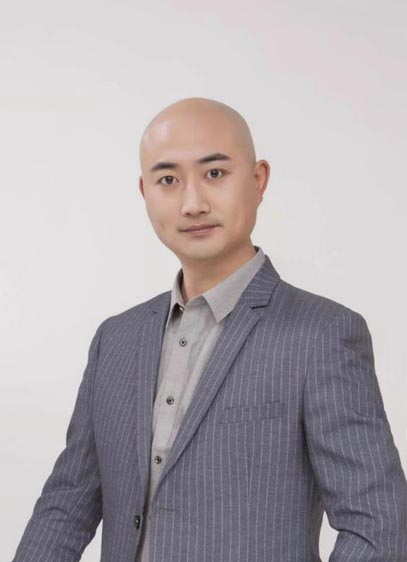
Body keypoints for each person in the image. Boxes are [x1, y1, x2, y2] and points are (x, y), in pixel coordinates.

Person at [11, 97, 407, 562]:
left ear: (258, 180)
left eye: (214, 173)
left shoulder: (321, 334)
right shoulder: (114, 340)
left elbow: (378, 524)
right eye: (168, 180)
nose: (193, 203)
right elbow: (65, 507)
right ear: (144, 192)